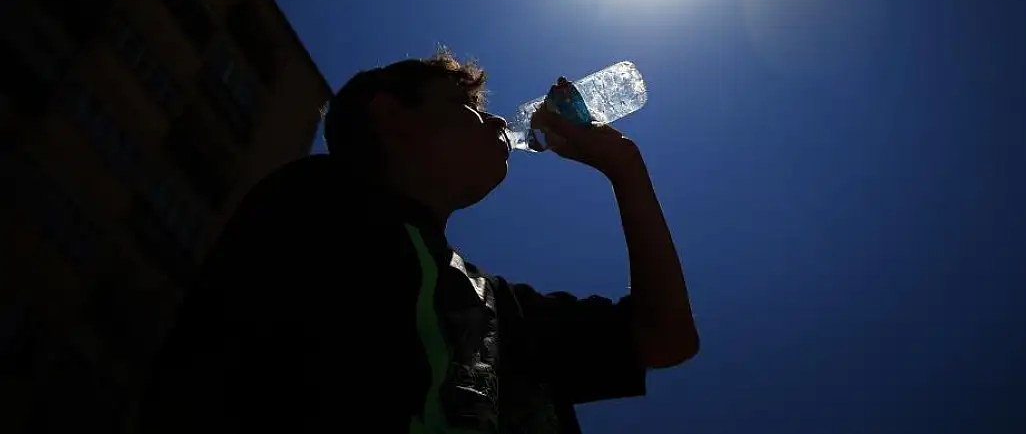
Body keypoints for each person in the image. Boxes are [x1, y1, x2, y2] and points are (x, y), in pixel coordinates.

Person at [135, 49, 698, 434]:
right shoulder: (319, 206)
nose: (499, 121)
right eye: (469, 109)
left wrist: (624, 167)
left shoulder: (494, 310)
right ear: (393, 119)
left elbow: (665, 337)